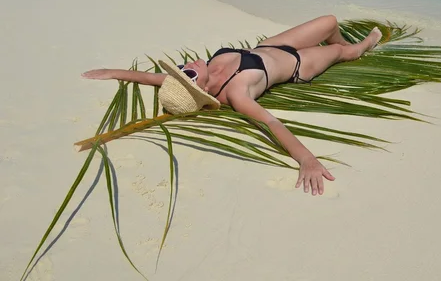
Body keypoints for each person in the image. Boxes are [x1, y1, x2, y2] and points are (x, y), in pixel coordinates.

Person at [82, 15, 382, 196]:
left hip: (269, 46)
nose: (185, 66)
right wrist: (306, 159)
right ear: (198, 89)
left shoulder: (193, 75)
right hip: (298, 66)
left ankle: (342, 43)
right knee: (340, 50)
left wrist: (113, 72)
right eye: (186, 73)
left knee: (330, 22)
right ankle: (360, 48)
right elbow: (272, 124)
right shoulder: (237, 93)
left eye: (179, 70)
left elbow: (147, 77)